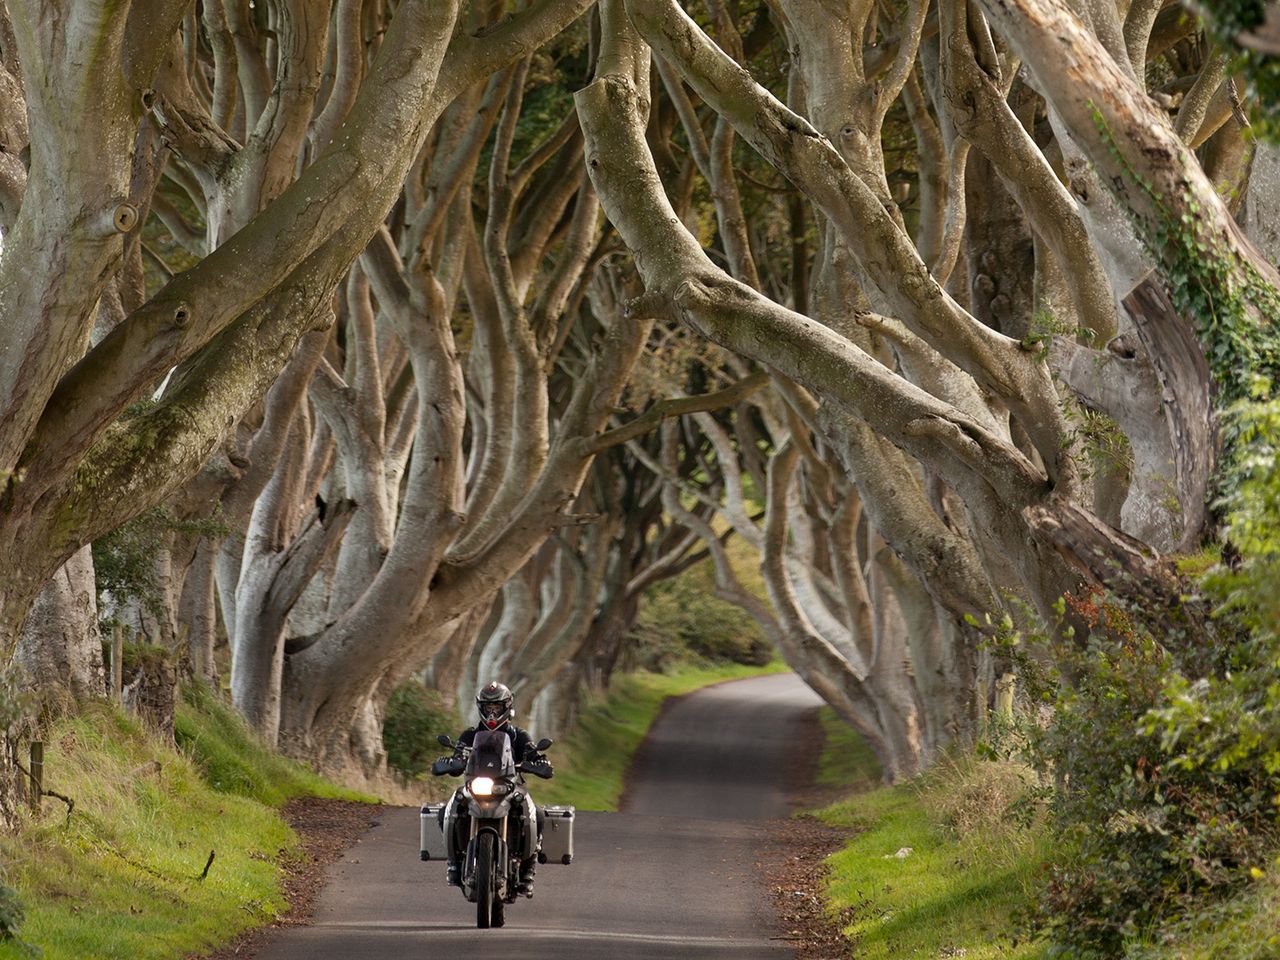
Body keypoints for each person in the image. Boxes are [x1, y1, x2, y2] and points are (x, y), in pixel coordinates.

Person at [437, 681, 552, 895]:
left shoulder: (519, 736)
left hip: (508, 787)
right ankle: (453, 863)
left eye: (496, 708)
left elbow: (534, 755)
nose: (491, 713)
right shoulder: (469, 735)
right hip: (475, 786)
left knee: (538, 814)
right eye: (488, 708)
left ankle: (528, 871)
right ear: (480, 707)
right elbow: (457, 758)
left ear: (506, 707)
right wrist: (451, 762)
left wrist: (539, 762)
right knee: (446, 810)